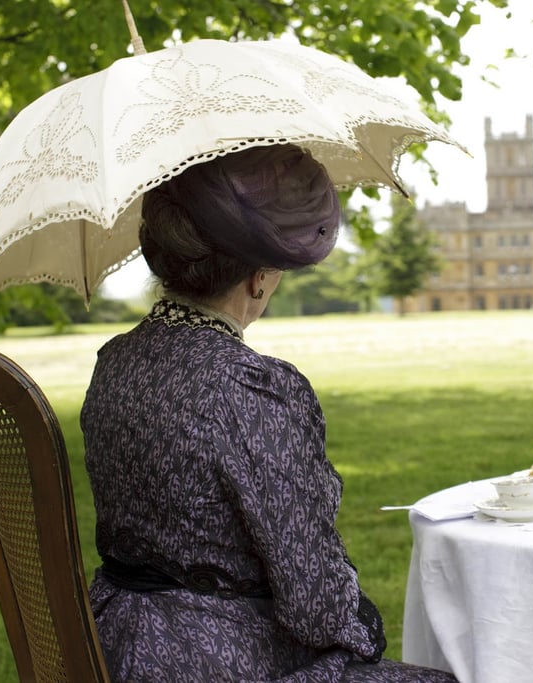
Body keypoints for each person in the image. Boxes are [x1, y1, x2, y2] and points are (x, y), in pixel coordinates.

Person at [81, 144, 458, 683]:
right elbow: (315, 602)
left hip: (115, 645)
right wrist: (362, 626)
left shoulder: (115, 363)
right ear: (258, 277)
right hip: (220, 663)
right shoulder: (250, 386)